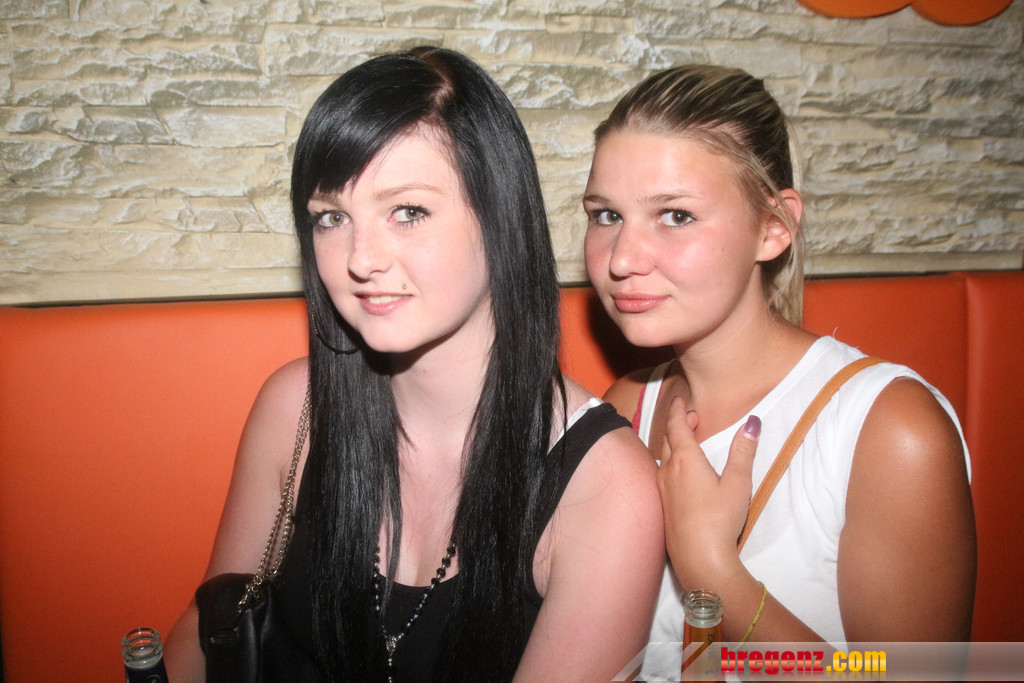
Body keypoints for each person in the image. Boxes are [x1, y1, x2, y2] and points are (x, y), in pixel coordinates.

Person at [165, 47, 664, 682]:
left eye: (408, 212)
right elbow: (211, 629)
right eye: (332, 218)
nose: (360, 258)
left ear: (500, 217)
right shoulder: (295, 408)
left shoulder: (604, 489)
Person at [582, 64, 976, 678]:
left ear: (773, 227)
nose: (623, 259)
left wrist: (714, 573)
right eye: (607, 215)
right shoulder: (628, 404)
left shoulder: (891, 431)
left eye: (676, 215)